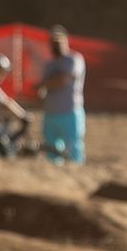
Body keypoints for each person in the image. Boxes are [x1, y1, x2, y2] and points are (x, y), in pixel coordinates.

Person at [36, 25, 87, 163]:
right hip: (50, 113)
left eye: (58, 41)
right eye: (53, 41)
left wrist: (44, 84)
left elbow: (63, 80)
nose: (55, 45)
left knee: (73, 148)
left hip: (69, 112)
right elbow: (42, 89)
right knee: (52, 150)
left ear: (66, 40)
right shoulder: (49, 64)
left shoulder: (74, 59)